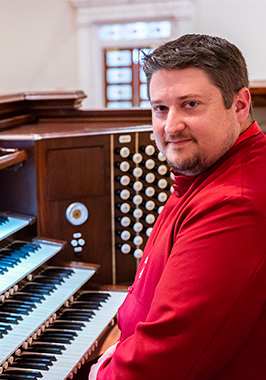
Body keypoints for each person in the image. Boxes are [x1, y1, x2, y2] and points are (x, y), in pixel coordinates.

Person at [89, 34, 266, 379]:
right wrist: (119, 346)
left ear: (240, 105)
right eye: (160, 108)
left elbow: (165, 361)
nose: (171, 127)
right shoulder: (205, 168)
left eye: (190, 105)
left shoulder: (235, 203)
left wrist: (104, 374)